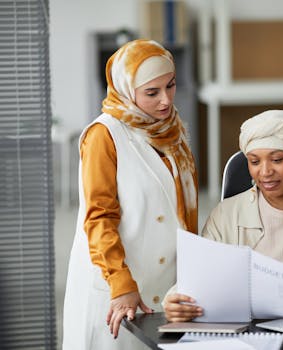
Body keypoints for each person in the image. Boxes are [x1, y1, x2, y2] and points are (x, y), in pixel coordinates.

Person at [163, 110, 283, 322]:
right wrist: (176, 298)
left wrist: (266, 295)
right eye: (254, 162)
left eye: (277, 159)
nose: (265, 172)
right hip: (244, 331)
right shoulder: (225, 214)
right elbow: (204, 276)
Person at [62, 39, 198, 349]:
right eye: (152, 92)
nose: (165, 101)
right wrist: (121, 284)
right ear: (126, 89)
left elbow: (182, 212)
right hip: (115, 286)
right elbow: (99, 217)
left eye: (171, 86)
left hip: (165, 285)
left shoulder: (172, 131)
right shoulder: (104, 135)